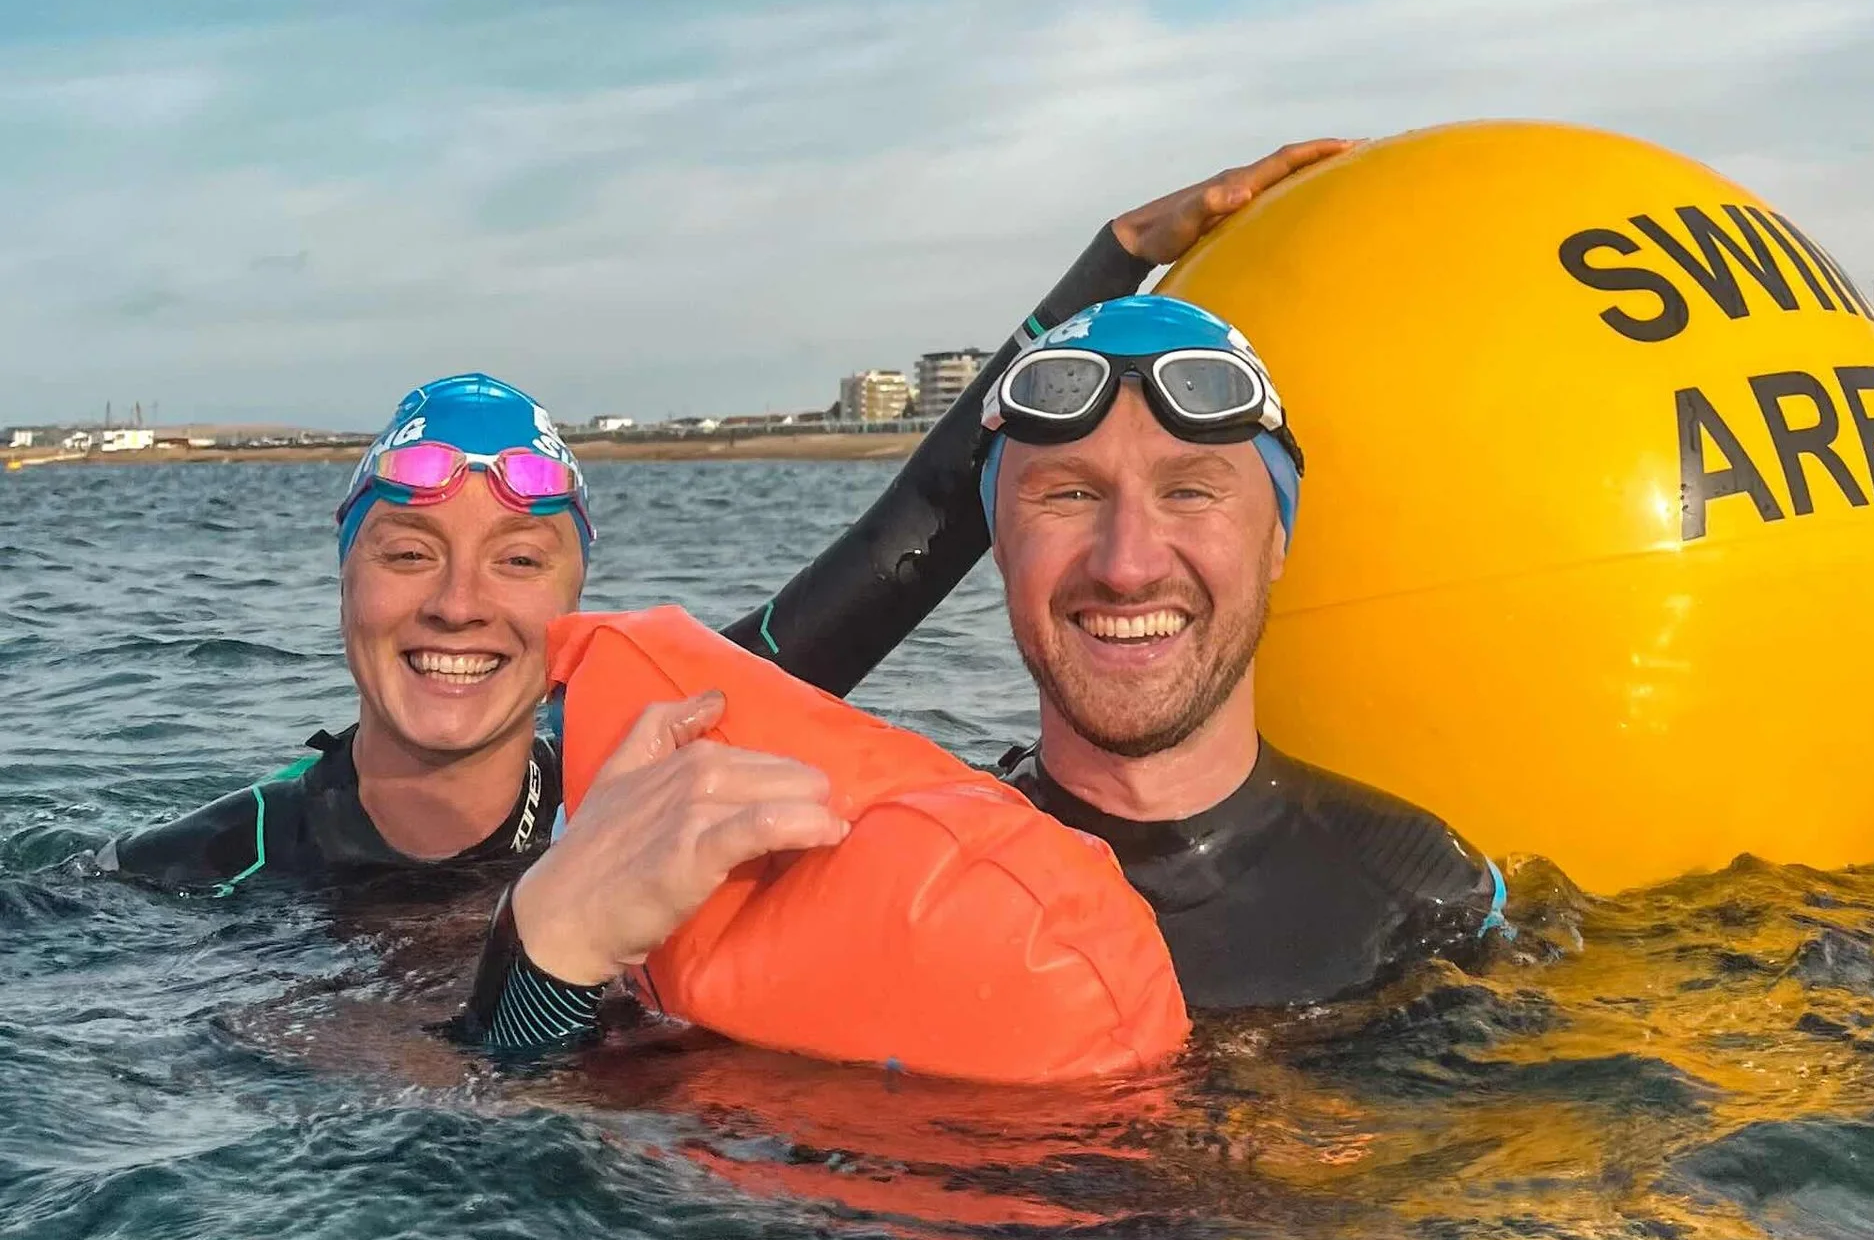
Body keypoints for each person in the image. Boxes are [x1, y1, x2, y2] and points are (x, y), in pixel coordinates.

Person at [108, 146, 1341, 904]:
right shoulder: (201, 871)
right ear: (345, 584)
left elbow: (910, 535)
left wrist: (1117, 257)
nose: (457, 603)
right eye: (408, 550)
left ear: (575, 608)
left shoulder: (650, 756)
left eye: (519, 560)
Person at [474, 292, 1504, 1045]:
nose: (1127, 561)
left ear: (1277, 539)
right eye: (1067, 497)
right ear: (999, 547)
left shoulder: (1424, 898)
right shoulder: (863, 862)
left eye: (1191, 492)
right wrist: (547, 945)